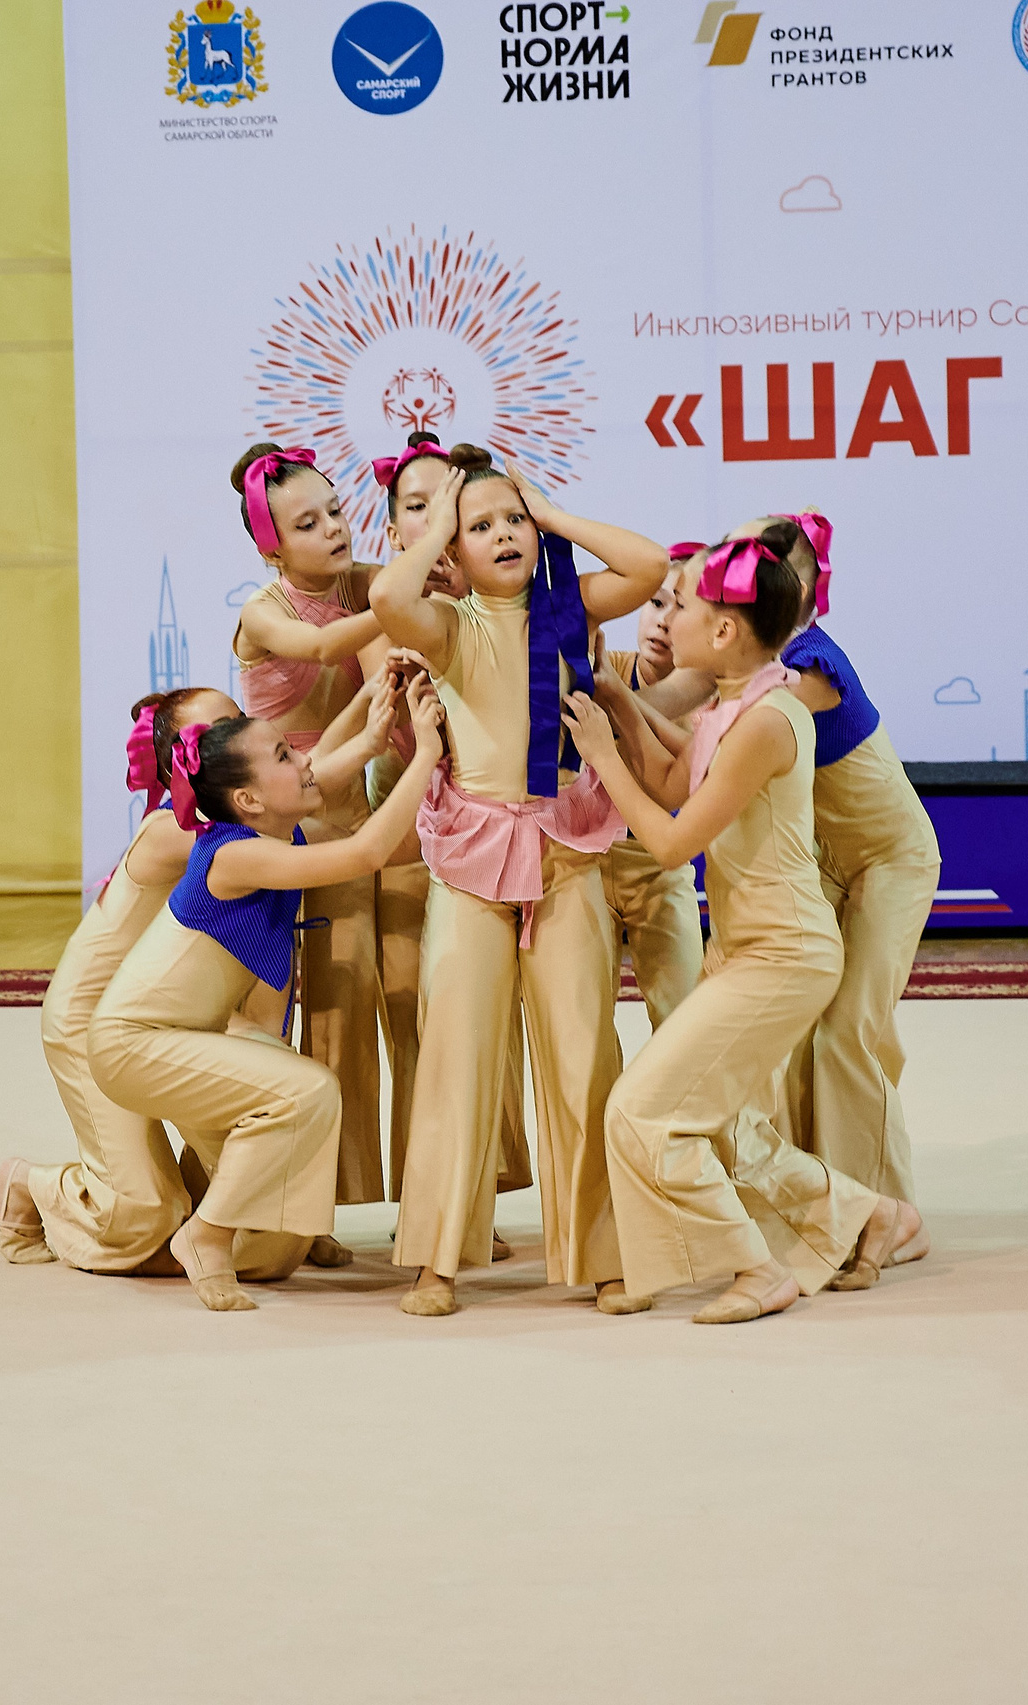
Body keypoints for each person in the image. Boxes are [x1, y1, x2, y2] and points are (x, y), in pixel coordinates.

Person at [563, 523, 923, 1323]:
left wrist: (604, 751)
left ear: (725, 631)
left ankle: (756, 1269)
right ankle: (867, 1212)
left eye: (679, 603)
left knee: (641, 1111)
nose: (663, 619)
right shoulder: (735, 706)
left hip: (783, 953)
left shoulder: (768, 717)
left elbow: (668, 841)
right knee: (720, 1120)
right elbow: (670, 776)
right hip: (751, 947)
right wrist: (617, 702)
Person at [369, 444, 668, 1316]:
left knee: (585, 1054)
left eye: (514, 522)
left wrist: (550, 510)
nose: (503, 534)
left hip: (566, 853)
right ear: (452, 552)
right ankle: (434, 1258)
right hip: (472, 863)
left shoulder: (568, 608)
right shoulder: (449, 623)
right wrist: (436, 521)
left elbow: (648, 565)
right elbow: (391, 595)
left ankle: (607, 1252)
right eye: (482, 525)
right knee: (456, 1056)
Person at [0, 679, 397, 1273]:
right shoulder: (185, 832)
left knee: (251, 1197)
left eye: (235, 721)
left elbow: (300, 784)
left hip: (182, 1018)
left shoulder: (234, 819)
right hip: (93, 1021)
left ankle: (226, 1226)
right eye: (212, 734)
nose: (233, 735)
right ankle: (34, 1185)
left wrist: (369, 724)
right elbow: (309, 818)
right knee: (144, 1212)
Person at [88, 680, 449, 1310]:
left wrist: (371, 720)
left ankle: (269, 1233)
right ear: (248, 798)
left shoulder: (274, 838)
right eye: (284, 755)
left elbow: (331, 771)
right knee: (309, 1090)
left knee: (301, 1098)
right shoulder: (233, 856)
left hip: (177, 1037)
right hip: (134, 1044)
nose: (305, 760)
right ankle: (207, 1234)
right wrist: (422, 757)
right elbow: (368, 851)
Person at [372, 433, 531, 1247]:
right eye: (419, 508)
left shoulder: (519, 611)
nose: (443, 523)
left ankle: (482, 1205)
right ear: (398, 525)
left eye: (456, 507)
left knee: (497, 1041)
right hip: (408, 844)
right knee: (426, 1030)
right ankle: (433, 1226)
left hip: (515, 845)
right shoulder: (397, 613)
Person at [226, 442, 394, 1208]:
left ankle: (344, 1198)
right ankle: (262, 1199)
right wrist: (390, 603)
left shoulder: (364, 586)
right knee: (270, 1022)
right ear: (272, 545)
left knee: (346, 1015)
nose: (334, 527)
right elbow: (326, 645)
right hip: (276, 826)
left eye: (335, 509)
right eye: (308, 521)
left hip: (349, 810)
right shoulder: (264, 612)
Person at [771, 514, 942, 1207]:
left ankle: (886, 1212)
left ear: (811, 589)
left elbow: (744, 724)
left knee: (848, 1032)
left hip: (891, 863)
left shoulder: (816, 662)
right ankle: (822, 1198)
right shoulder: (757, 663)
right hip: (825, 862)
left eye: (786, 572)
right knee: (801, 1023)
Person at [593, 554, 717, 1029]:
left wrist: (618, 704)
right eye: (654, 602)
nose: (663, 621)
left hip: (660, 871)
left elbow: (674, 796)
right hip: (589, 867)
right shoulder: (607, 667)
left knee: (684, 1019)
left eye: (679, 607)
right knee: (586, 1028)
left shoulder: (715, 696)